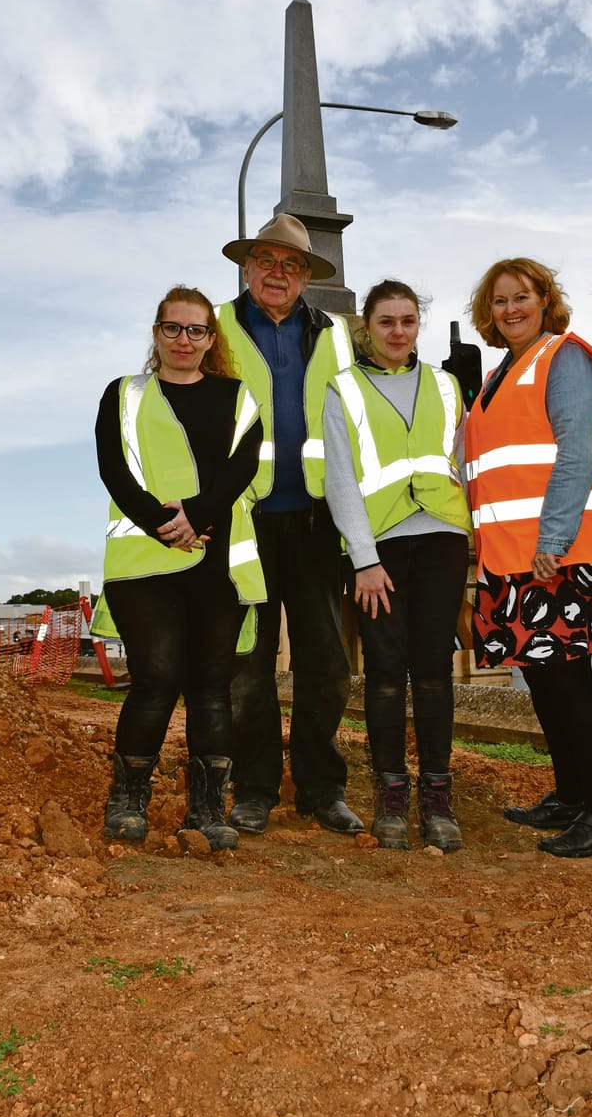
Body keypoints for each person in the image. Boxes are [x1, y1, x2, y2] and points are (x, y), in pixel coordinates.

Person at [464, 258, 592, 858]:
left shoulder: (565, 358)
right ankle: (571, 796)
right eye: (500, 300)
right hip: (510, 559)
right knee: (542, 682)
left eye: (522, 297)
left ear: (545, 301)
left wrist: (553, 542)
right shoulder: (497, 374)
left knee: (569, 683)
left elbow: (579, 454)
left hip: (557, 555)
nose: (511, 309)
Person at [93, 286, 264, 851]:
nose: (183, 340)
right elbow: (114, 468)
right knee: (157, 680)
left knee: (211, 688)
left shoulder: (237, 398)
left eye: (195, 330)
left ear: (211, 338)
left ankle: (208, 807)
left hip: (217, 562)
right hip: (145, 561)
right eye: (173, 328)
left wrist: (196, 518)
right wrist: (161, 524)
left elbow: (240, 470)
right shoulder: (123, 395)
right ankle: (127, 798)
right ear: (156, 333)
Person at [217, 213, 364, 835]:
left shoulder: (333, 336)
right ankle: (253, 787)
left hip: (314, 522)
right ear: (248, 267)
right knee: (246, 665)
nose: (278, 272)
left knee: (326, 662)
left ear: (307, 276)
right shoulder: (214, 327)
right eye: (267, 261)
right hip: (242, 520)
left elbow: (352, 426)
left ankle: (321, 787)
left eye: (292, 264)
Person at [323, 280, 470, 850]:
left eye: (408, 320)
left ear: (418, 324)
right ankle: (389, 791)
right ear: (367, 327)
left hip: (441, 539)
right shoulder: (345, 389)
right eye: (387, 322)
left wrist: (467, 534)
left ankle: (437, 794)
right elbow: (339, 478)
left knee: (433, 667)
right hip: (377, 548)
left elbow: (460, 460)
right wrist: (363, 558)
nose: (398, 331)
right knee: (385, 669)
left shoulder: (445, 384)